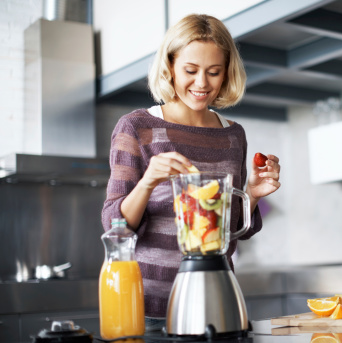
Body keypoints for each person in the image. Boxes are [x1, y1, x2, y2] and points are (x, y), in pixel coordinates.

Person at [101, 14, 281, 332]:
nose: (202, 84)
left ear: (227, 73)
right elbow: (115, 227)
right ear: (169, 67)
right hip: (150, 311)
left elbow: (232, 230)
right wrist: (147, 183)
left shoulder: (233, 134)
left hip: (217, 298)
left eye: (214, 72)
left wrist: (251, 194)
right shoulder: (137, 128)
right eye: (190, 70)